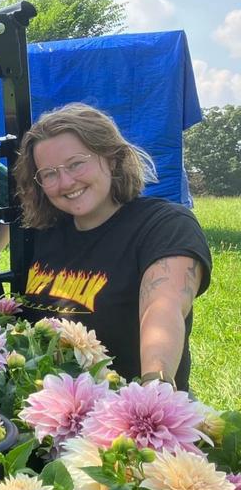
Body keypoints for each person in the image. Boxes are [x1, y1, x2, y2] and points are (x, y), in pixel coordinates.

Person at [14, 103, 211, 390]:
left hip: (131, 412)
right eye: (49, 174)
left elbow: (163, 306)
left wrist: (154, 386)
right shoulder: (42, 233)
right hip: (49, 410)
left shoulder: (163, 225)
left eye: (76, 163)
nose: (66, 181)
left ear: (112, 158)